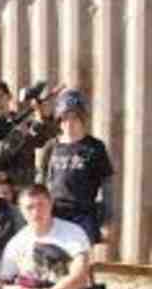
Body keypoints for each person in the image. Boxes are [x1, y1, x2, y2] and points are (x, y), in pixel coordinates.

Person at [39, 89, 115, 245]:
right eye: (65, 118)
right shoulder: (51, 147)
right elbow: (41, 181)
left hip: (83, 215)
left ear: (83, 119)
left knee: (80, 256)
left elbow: (106, 187)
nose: (69, 123)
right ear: (59, 120)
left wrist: (106, 221)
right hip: (55, 213)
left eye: (75, 117)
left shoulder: (95, 147)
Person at [0, 80, 57, 191]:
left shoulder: (19, 120)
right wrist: (18, 134)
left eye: (0, 96)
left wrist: (44, 117)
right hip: (1, 189)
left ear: (9, 97)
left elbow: (41, 139)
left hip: (24, 185)